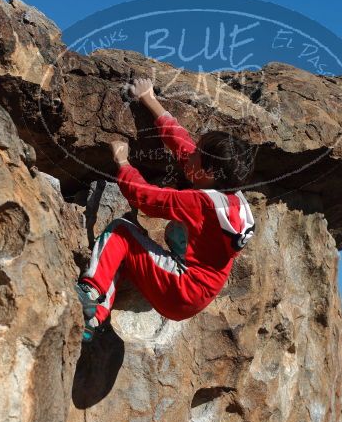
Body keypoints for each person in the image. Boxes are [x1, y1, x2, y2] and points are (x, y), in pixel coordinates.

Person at [75, 78, 256, 342]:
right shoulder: (231, 195)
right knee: (125, 259)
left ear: (206, 172)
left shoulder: (201, 203)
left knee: (122, 232)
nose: (190, 154)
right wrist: (149, 99)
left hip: (182, 288)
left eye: (198, 154)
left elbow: (144, 197)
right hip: (198, 293)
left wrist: (123, 163)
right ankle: (94, 318)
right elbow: (184, 149)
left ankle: (89, 295)